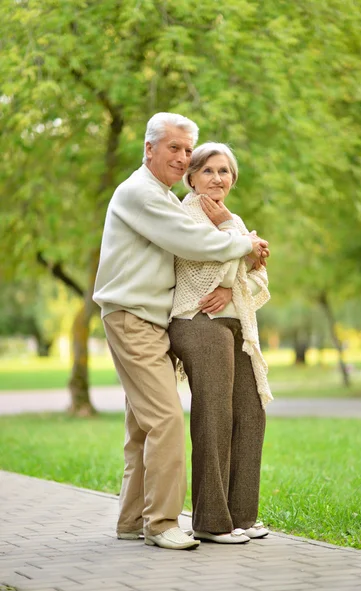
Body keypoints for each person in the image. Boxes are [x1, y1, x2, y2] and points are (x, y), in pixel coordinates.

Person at [92, 113, 270, 551]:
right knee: (167, 420)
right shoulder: (140, 194)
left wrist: (238, 254)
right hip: (133, 316)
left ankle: (131, 520)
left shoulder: (165, 197)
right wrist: (245, 243)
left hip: (153, 320)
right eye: (175, 148)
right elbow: (192, 245)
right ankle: (162, 523)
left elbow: (238, 272)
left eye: (188, 148)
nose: (183, 156)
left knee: (141, 428)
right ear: (149, 148)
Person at [169, 142, 273, 544]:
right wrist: (244, 242)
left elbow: (257, 275)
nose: (217, 179)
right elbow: (212, 259)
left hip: (235, 323)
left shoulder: (231, 217)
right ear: (191, 176)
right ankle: (211, 521)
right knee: (214, 416)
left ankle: (243, 516)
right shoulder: (184, 214)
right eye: (208, 171)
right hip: (196, 321)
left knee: (251, 413)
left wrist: (234, 287)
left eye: (224, 171)